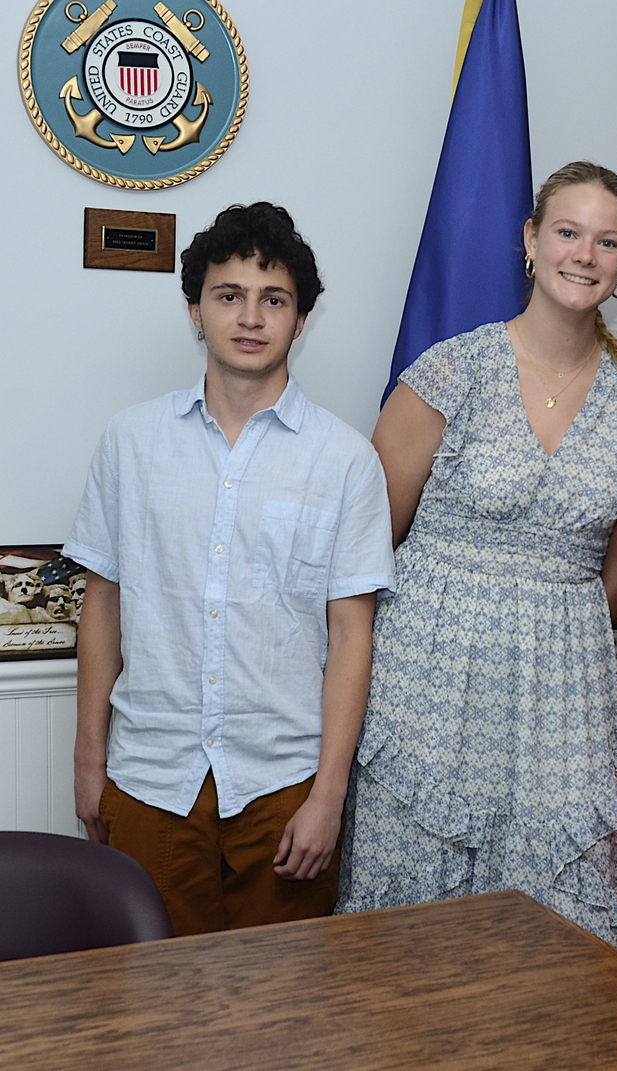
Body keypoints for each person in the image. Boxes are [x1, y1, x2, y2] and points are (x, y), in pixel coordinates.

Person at [335, 161, 617, 950]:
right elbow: (365, 548)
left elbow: (615, 573)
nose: (584, 255)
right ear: (530, 240)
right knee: (410, 939)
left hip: (563, 703)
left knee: (559, 942)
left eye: (608, 241)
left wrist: (542, 626)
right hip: (428, 690)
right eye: (567, 232)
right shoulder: (450, 372)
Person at [67, 203, 395, 936]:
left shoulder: (345, 461)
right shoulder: (130, 442)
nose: (251, 317)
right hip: (150, 776)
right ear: (195, 309)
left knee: (281, 1014)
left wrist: (329, 797)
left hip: (284, 785)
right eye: (229, 295)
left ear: (300, 320)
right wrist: (90, 763)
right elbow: (102, 607)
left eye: (273, 298)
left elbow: (351, 637)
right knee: (155, 1012)